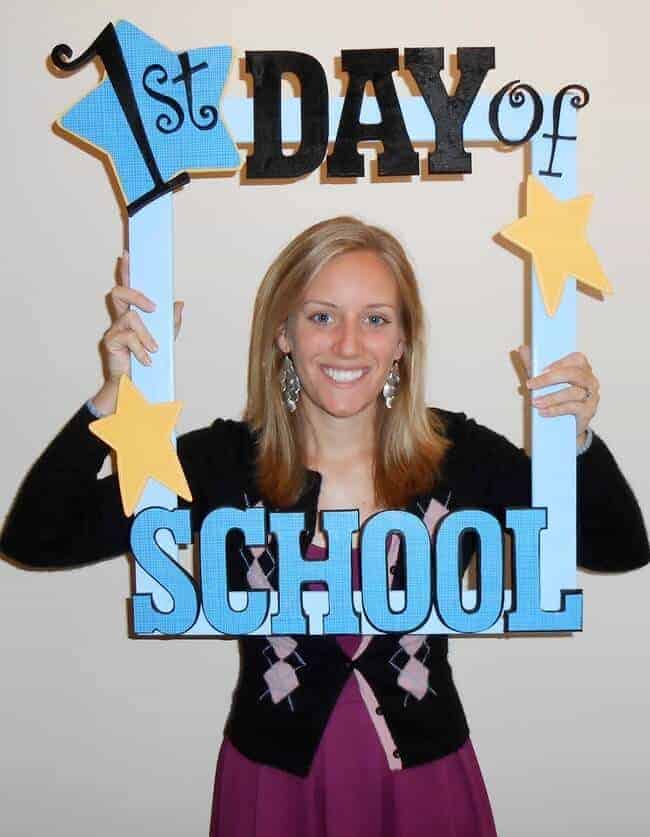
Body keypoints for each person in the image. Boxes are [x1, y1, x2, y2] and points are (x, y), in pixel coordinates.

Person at [2, 216, 648, 837]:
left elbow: (618, 548)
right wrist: (111, 396)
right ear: (283, 332)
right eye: (320, 317)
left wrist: (578, 437)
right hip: (274, 789)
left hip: (426, 784)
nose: (347, 344)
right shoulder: (221, 464)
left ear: (402, 341)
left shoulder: (462, 456)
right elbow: (37, 537)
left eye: (375, 319)